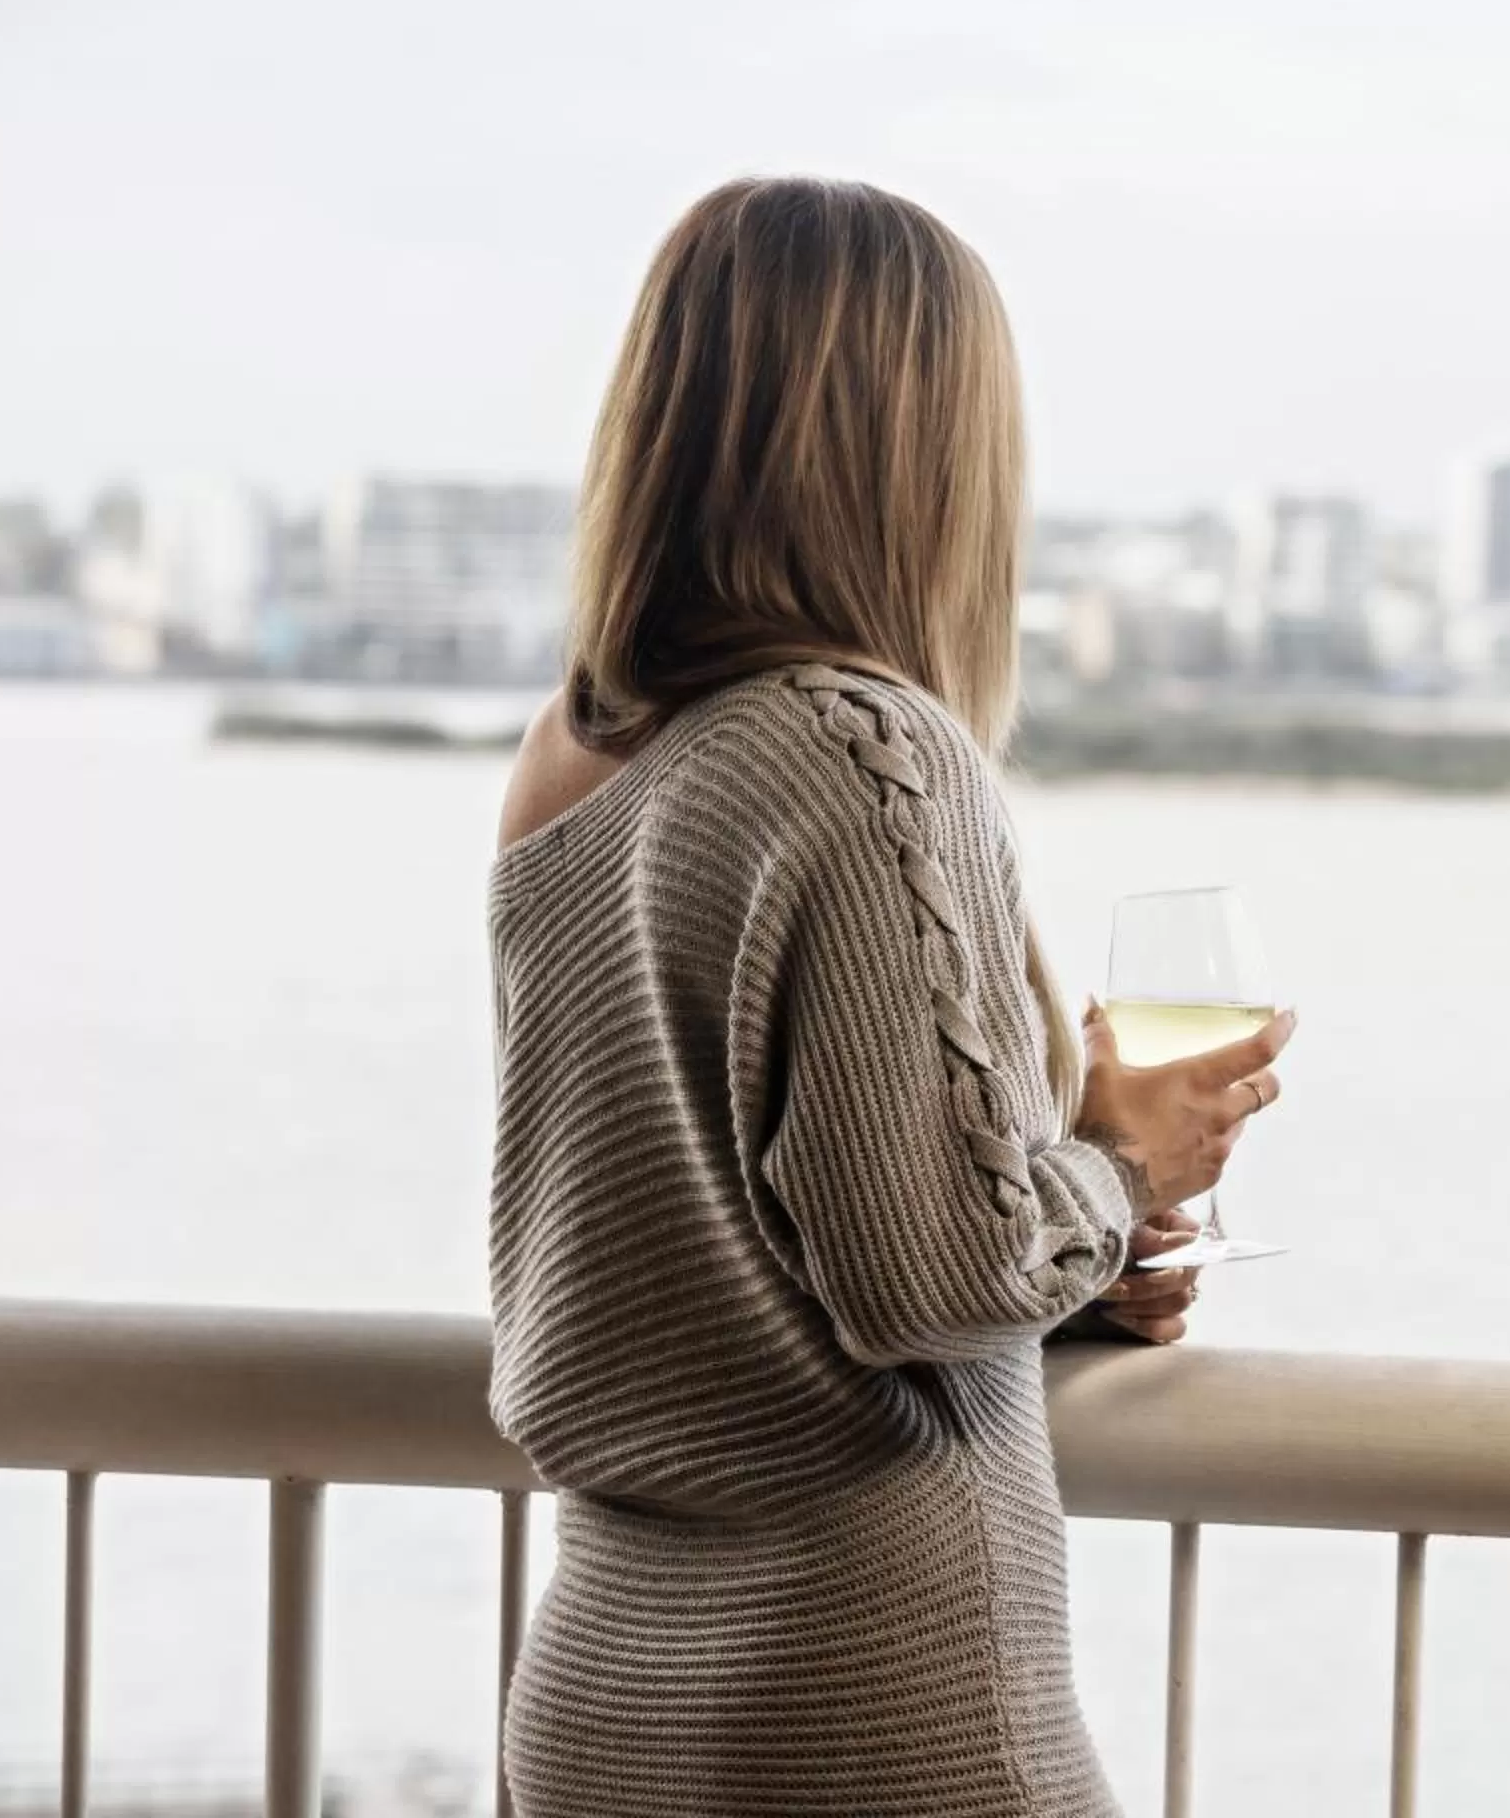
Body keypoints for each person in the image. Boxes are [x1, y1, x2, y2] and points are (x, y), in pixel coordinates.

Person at [486, 176, 1291, 1817]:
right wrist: (1121, 1164)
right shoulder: (864, 749)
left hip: (602, 1704)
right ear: (928, 447)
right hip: (868, 1707)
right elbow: (931, 1281)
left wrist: (1070, 1267)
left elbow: (717, 1254)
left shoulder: (571, 755)